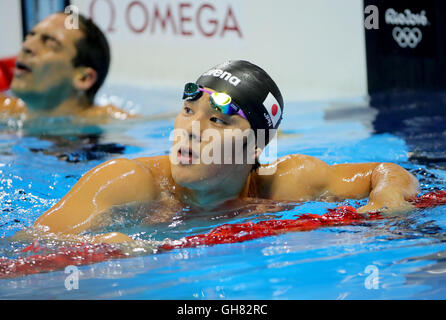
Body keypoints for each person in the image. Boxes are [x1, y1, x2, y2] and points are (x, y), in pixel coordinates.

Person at [16, 60, 420, 244]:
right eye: (188, 110)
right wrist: (98, 245)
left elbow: (385, 170)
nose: (191, 130)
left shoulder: (284, 181)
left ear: (258, 146)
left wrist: (386, 197)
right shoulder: (125, 182)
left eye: (219, 121)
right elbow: (26, 246)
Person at [0, 12, 132, 121]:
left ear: (83, 78)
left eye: (50, 43)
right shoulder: (6, 111)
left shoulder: (112, 122)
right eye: (30, 36)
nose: (27, 47)